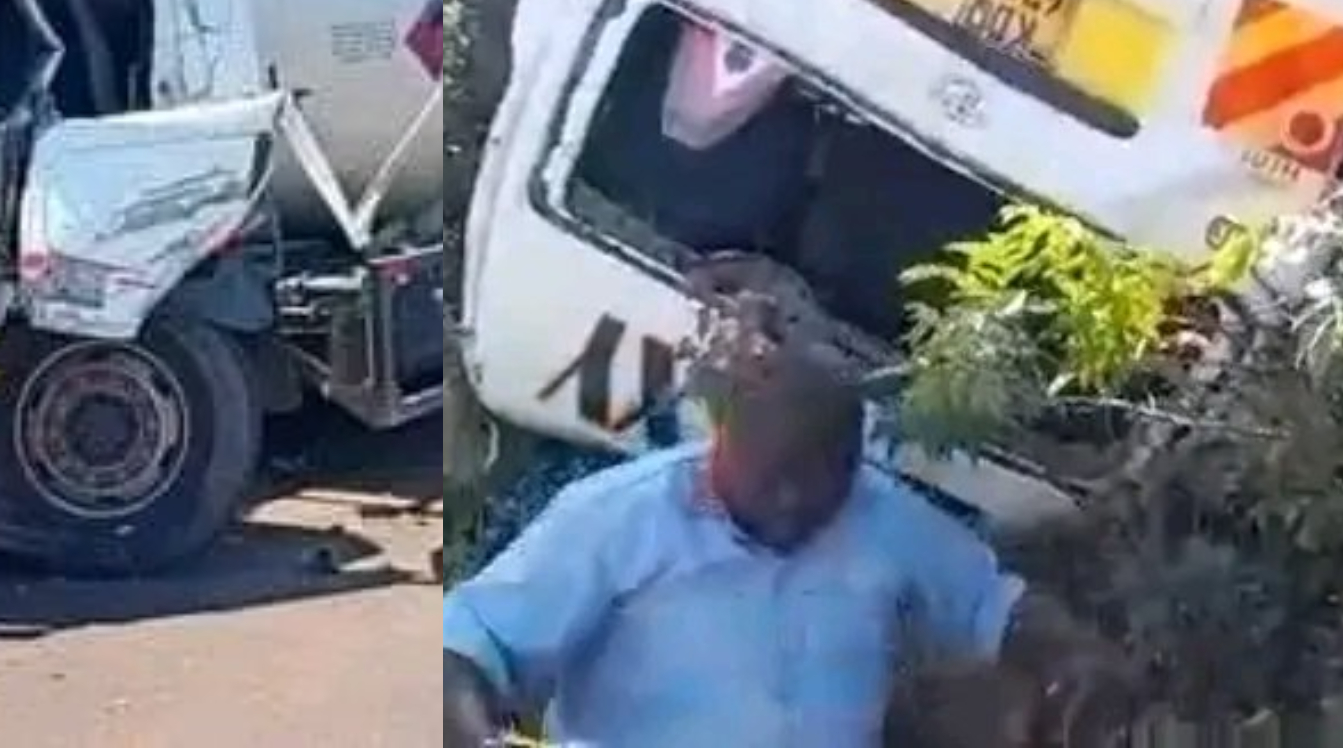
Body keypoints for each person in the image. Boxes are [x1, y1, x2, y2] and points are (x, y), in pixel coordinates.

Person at [442, 293, 1134, 747]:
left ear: (851, 469)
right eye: (771, 484)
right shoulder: (617, 522)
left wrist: (1071, 661)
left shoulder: (883, 516)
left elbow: (995, 604)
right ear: (723, 442)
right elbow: (467, 647)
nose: (788, 509)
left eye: (814, 491)